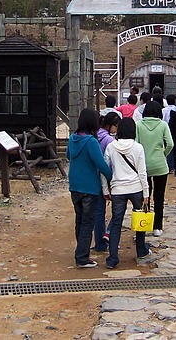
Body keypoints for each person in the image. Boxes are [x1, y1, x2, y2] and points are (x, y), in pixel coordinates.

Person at [67, 109, 113, 268]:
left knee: (79, 220)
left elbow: (68, 156)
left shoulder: (72, 138)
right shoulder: (91, 142)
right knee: (88, 222)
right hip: (90, 188)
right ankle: (81, 257)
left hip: (74, 186)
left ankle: (81, 251)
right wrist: (111, 177)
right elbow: (101, 164)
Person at [102, 118, 149, 268]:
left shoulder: (111, 147)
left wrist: (105, 189)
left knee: (116, 222)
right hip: (136, 188)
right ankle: (141, 250)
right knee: (140, 219)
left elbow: (104, 170)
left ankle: (113, 257)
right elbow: (142, 172)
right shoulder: (138, 147)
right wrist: (146, 193)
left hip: (118, 189)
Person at [135, 101, 173, 237]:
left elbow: (136, 144)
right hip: (160, 165)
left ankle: (144, 224)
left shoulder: (138, 125)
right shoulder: (163, 125)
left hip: (143, 165)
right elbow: (170, 144)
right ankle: (157, 227)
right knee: (159, 196)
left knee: (145, 196)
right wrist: (163, 154)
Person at [94, 112, 120, 252]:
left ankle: (99, 242)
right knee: (115, 211)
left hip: (92, 176)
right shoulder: (109, 141)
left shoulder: (95, 135)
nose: (117, 129)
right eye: (116, 126)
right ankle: (107, 236)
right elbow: (109, 164)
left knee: (97, 212)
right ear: (110, 125)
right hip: (105, 176)